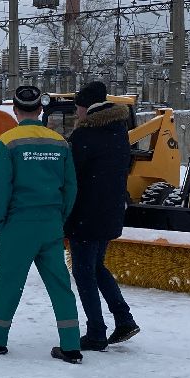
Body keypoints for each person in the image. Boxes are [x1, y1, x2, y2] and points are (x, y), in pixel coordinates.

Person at [0, 86, 84, 364]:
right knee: (60, 285)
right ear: (41, 111)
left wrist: (1, 220)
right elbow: (71, 187)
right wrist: (59, 217)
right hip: (51, 224)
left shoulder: (7, 141)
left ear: (15, 111)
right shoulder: (59, 142)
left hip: (19, 224)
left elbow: (2, 188)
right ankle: (71, 345)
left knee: (9, 282)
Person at [65, 81, 141, 351]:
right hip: (109, 213)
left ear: (87, 108)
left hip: (85, 215)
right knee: (96, 267)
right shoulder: (118, 131)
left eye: (77, 109)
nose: (76, 115)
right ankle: (124, 319)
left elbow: (70, 177)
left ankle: (96, 332)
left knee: (84, 273)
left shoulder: (85, 136)